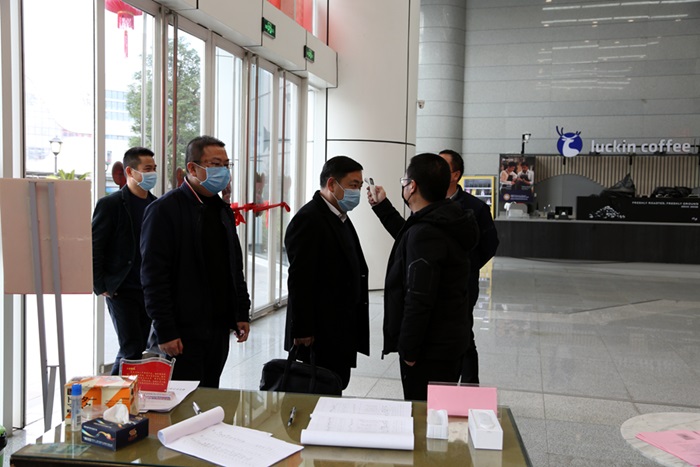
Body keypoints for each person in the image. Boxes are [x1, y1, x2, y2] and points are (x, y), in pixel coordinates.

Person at [140, 135, 251, 388]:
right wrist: (166, 330)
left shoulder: (222, 210)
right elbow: (154, 277)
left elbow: (234, 266)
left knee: (210, 392)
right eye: (215, 164)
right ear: (192, 168)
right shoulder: (164, 210)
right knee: (182, 399)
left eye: (226, 165)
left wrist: (240, 311)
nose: (223, 171)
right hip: (182, 331)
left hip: (218, 327)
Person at [369, 153, 479, 401]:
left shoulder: (427, 232)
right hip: (450, 341)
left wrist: (409, 349)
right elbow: (407, 235)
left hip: (430, 349)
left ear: (412, 186)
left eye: (404, 181)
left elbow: (419, 298)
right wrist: (382, 207)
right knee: (439, 409)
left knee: (423, 413)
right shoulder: (447, 219)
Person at [284, 155, 369, 390]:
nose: (357, 192)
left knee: (336, 384)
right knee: (320, 389)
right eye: (353, 185)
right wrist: (302, 329)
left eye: (359, 186)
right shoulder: (308, 220)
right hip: (319, 333)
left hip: (339, 328)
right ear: (332, 184)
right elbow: (300, 279)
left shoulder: (339, 216)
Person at [92, 147, 158, 375]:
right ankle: (114, 392)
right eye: (147, 169)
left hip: (148, 289)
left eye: (154, 168)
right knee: (131, 347)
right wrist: (100, 285)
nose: (152, 173)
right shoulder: (111, 204)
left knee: (138, 346)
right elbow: (95, 246)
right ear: (130, 171)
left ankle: (124, 391)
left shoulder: (156, 205)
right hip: (121, 289)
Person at [439, 149, 499, 384]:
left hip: (463, 285)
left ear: (456, 175)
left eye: (442, 166)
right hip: (434, 284)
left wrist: (466, 266)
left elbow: (490, 244)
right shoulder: (429, 202)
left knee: (463, 334)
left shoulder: (475, 208)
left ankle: (470, 385)